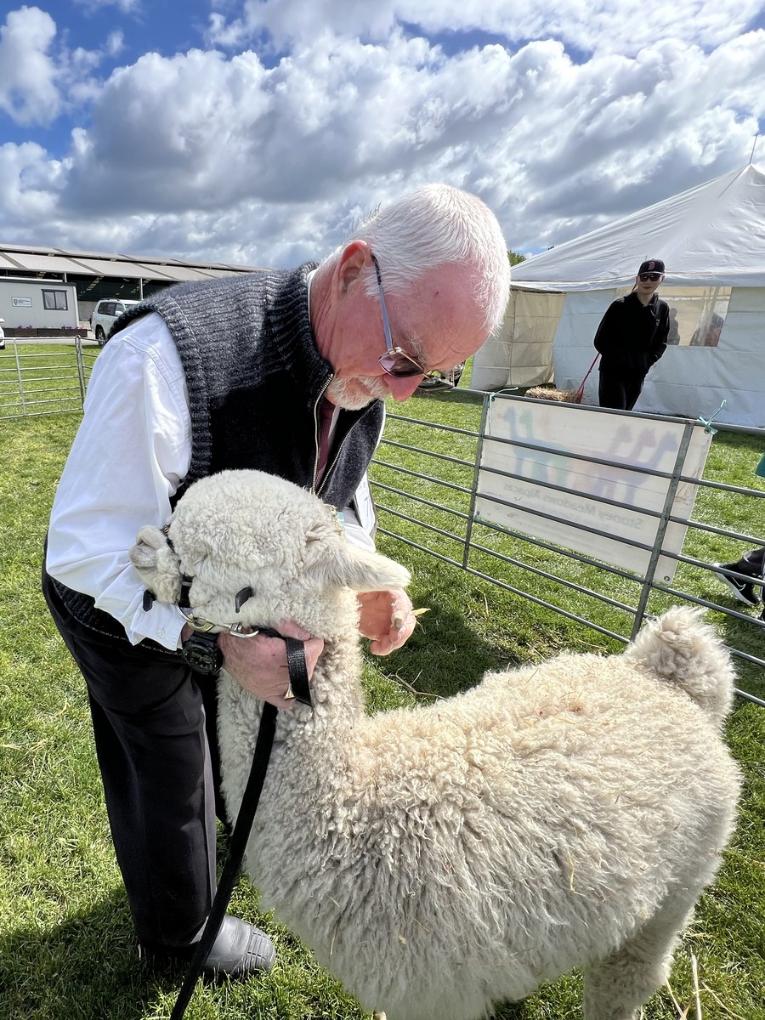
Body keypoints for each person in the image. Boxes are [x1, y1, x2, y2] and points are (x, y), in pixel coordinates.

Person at [42, 184, 511, 978]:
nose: (403, 389)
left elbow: (336, 488)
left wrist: (360, 567)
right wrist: (214, 636)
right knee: (167, 762)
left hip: (230, 609)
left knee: (226, 733)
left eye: (432, 374)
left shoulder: (368, 366)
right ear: (355, 270)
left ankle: (226, 834)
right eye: (406, 361)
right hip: (119, 608)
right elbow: (85, 548)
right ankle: (178, 942)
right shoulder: (163, 357)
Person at [594, 258, 670, 410]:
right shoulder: (620, 305)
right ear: (637, 279)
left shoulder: (662, 308)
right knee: (613, 413)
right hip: (613, 372)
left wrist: (646, 362)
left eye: (654, 277)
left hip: (637, 373)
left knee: (626, 414)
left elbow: (661, 341)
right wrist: (618, 359)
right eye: (644, 277)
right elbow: (600, 340)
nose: (648, 281)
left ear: (662, 279)